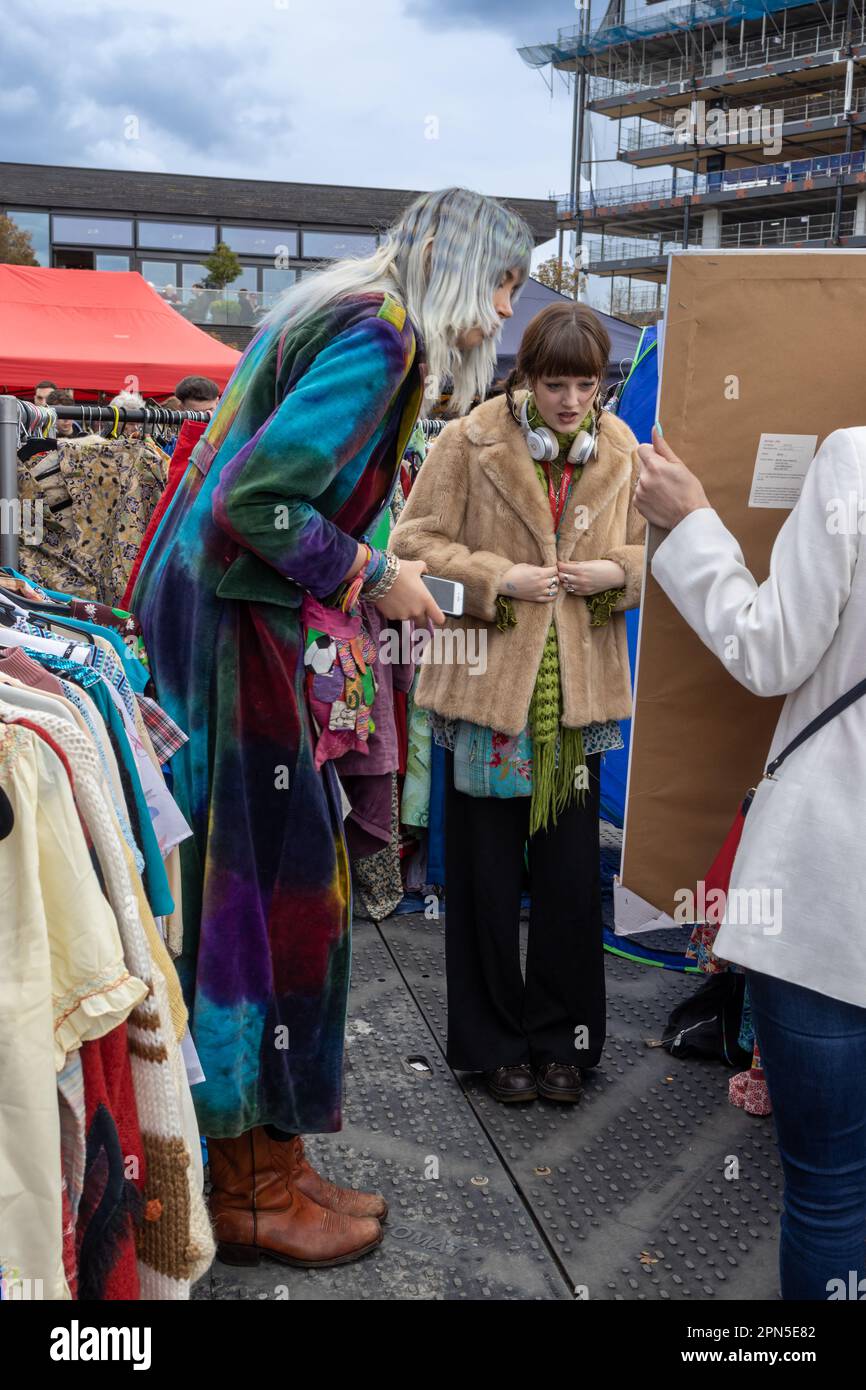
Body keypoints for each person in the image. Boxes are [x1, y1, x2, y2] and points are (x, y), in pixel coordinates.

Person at [131, 186, 533, 1268]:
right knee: (272, 904)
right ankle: (251, 1185)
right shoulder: (382, 331)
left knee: (262, 899)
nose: (502, 312)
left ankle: (266, 1161)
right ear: (460, 272)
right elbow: (256, 503)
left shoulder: (344, 310)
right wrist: (373, 572)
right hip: (235, 636)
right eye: (501, 283)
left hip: (216, 624)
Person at [391, 302, 645, 1105]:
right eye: (556, 382)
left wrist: (618, 575)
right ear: (526, 378)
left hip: (579, 699)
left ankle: (565, 1044)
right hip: (485, 693)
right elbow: (408, 547)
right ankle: (494, 1045)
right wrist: (497, 580)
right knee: (485, 881)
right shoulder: (470, 440)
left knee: (572, 883)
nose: (572, 401)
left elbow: (655, 549)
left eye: (587, 384)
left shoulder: (621, 448)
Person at [634, 423, 866, 1301]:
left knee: (832, 1190)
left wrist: (693, 523)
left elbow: (769, 653)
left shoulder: (855, 459)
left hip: (831, 894)